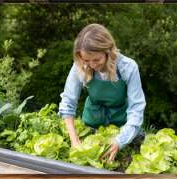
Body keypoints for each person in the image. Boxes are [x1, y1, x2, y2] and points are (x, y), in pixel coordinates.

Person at [59, 23, 146, 162]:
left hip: (123, 127)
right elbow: (68, 103)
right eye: (86, 60)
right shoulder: (80, 65)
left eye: (96, 59)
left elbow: (136, 109)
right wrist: (74, 141)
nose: (92, 65)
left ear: (108, 52)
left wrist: (120, 140)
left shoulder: (128, 67)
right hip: (91, 125)